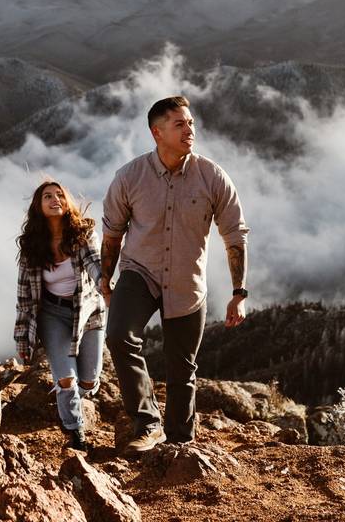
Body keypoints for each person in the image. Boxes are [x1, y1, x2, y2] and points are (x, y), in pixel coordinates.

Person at [101, 95, 249, 454]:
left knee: (182, 368)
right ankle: (146, 423)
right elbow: (112, 235)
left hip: (187, 281)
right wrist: (105, 281)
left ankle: (180, 444)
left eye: (192, 123)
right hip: (140, 272)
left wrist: (239, 292)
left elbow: (235, 235)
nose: (190, 130)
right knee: (119, 336)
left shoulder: (212, 177)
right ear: (157, 132)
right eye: (180, 124)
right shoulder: (130, 177)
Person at [14, 180, 106, 451]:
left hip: (88, 313)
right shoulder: (32, 247)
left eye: (59, 195)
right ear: (38, 206)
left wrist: (105, 283)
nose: (55, 199)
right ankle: (76, 432)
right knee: (66, 378)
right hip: (52, 315)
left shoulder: (83, 234)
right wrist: (22, 340)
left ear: (67, 202)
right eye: (47, 196)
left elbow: (94, 263)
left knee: (88, 380)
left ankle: (78, 394)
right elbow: (24, 299)